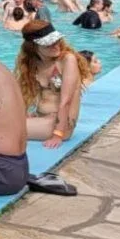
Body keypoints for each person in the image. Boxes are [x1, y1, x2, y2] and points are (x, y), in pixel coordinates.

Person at [17, 21, 92, 149]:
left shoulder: (67, 60)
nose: (55, 45)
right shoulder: (33, 63)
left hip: (61, 124)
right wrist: (24, 113)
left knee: (5, 128)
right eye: (48, 44)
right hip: (41, 118)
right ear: (33, 46)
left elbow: (66, 101)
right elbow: (23, 94)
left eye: (56, 40)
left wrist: (58, 134)